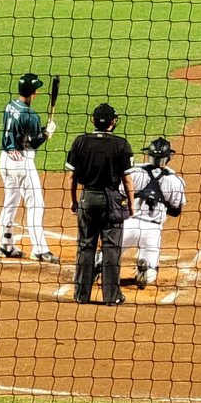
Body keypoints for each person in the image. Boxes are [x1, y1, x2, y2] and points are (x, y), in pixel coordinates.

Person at [93, 137, 187, 288]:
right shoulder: (175, 181)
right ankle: (145, 271)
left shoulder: (134, 172)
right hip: (152, 230)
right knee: (151, 274)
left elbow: (120, 194)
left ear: (149, 155)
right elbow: (176, 211)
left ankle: (99, 262)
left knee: (110, 251)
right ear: (169, 157)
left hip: (128, 224)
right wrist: (161, 203)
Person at [65, 103, 135, 306]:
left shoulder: (80, 142)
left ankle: (81, 295)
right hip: (111, 201)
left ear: (93, 120)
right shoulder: (121, 144)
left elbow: (71, 177)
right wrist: (131, 205)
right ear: (113, 122)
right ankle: (112, 297)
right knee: (111, 248)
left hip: (87, 198)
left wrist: (73, 201)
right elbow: (127, 180)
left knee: (85, 246)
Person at [0, 73, 59, 264]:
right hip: (22, 164)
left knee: (10, 202)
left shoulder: (10, 105)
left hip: (5, 160)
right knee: (36, 205)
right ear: (33, 92)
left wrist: (42, 131)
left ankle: (5, 245)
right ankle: (39, 249)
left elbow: (22, 134)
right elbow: (32, 143)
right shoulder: (31, 116)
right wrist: (46, 134)